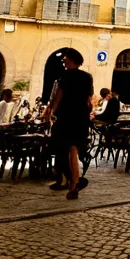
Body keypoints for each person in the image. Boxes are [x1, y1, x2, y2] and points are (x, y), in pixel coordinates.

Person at [42, 50, 94, 200]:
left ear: (72, 60)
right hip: (80, 117)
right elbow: (89, 100)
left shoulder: (65, 76)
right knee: (73, 149)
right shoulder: (87, 77)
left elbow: (58, 97)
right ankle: (74, 183)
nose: (63, 61)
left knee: (61, 149)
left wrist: (52, 113)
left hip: (66, 116)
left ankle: (71, 180)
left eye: (65, 60)